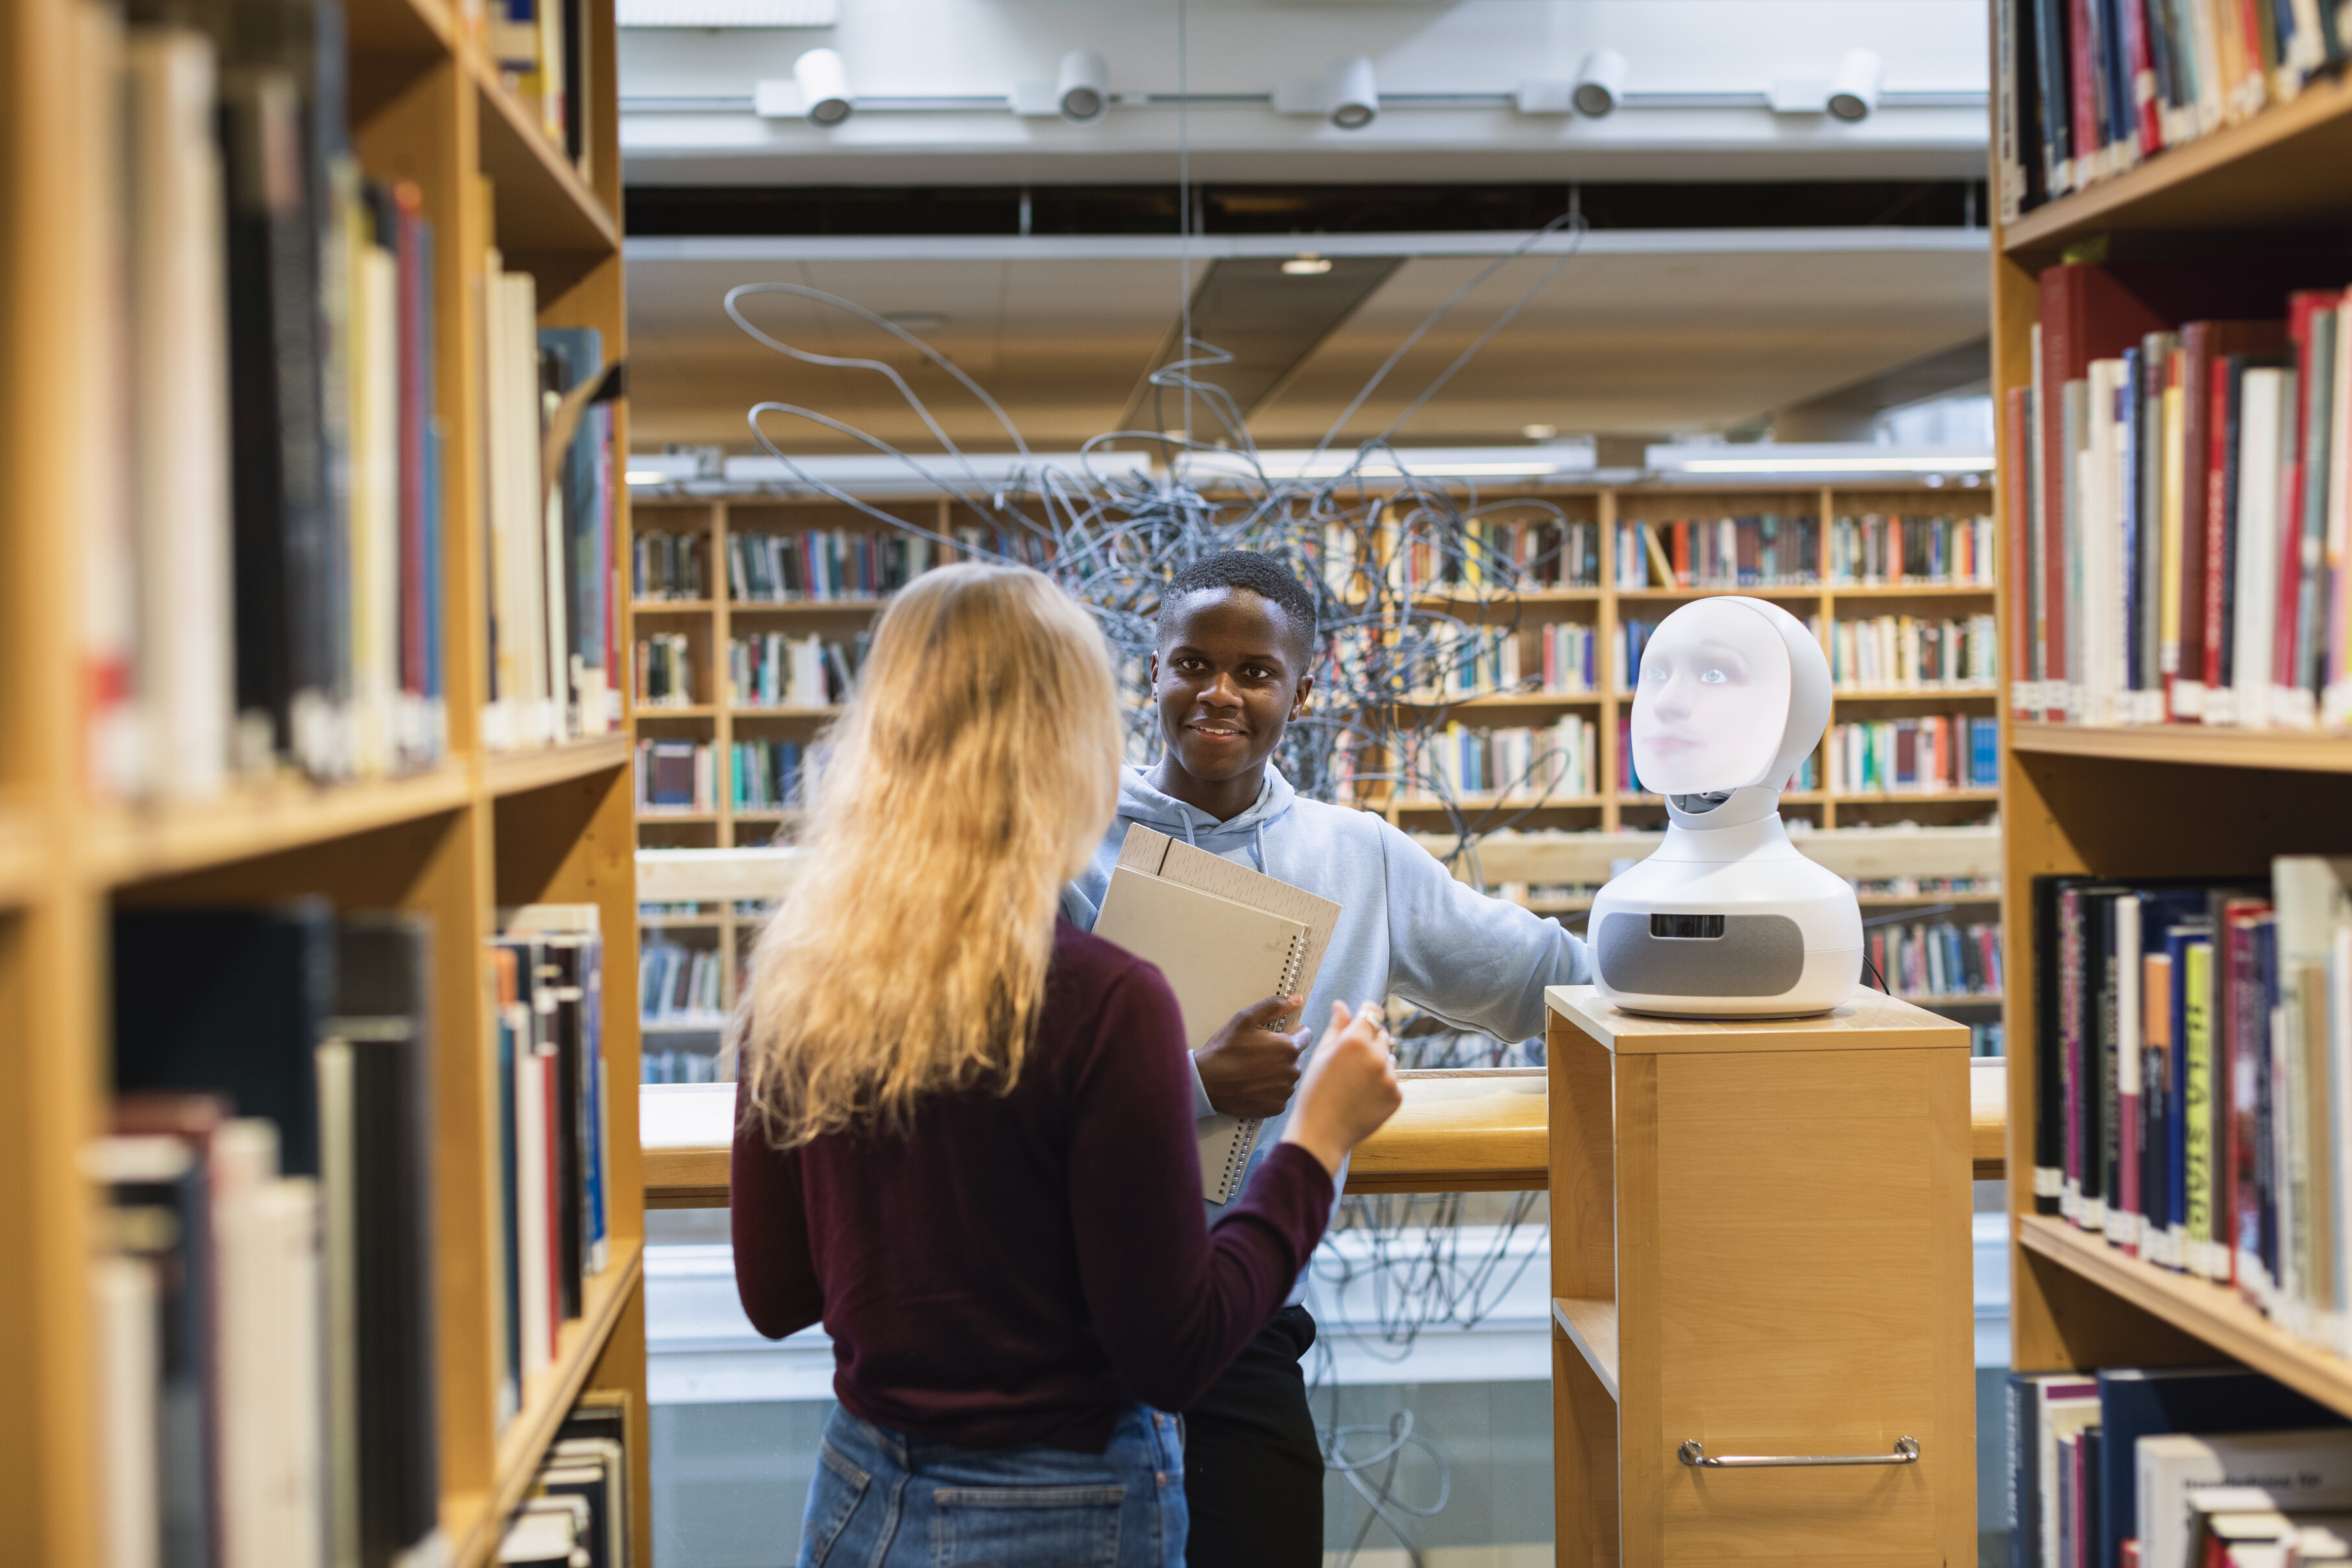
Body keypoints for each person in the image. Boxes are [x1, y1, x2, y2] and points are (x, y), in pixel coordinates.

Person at [729, 562, 1405, 1568]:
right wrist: (1315, 1138)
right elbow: (1174, 1353)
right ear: (1071, 745)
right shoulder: (1105, 999)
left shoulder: (797, 976)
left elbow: (777, 1293)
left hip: (860, 1494)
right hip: (1066, 1506)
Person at [1062, 549, 1595, 1568]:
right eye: (1192, 664)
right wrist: (1195, 1083)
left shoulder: (1360, 855)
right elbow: (1011, 1095)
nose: (1219, 693)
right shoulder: (1066, 843)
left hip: (1243, 1319)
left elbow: (1545, 974)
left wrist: (1713, 950)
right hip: (1073, 1323)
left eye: (1255, 672)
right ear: (1153, 671)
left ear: (1303, 691)